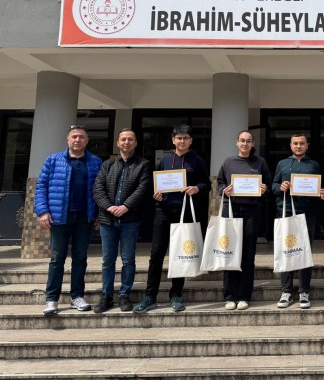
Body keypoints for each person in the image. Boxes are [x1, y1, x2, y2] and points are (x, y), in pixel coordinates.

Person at [133, 124, 210, 314]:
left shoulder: (197, 160)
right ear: (173, 140)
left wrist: (197, 188)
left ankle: (176, 294)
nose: (182, 141)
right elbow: (157, 183)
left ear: (191, 141)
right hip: (163, 211)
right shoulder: (165, 159)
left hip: (185, 212)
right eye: (179, 138)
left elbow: (207, 184)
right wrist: (156, 194)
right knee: (156, 254)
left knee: (180, 254)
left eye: (185, 138)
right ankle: (150, 296)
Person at [35, 124, 103, 316]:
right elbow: (41, 186)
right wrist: (42, 211)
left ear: (87, 140)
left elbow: (101, 189)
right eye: (74, 136)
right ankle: (52, 299)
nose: (77, 140)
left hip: (84, 217)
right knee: (57, 258)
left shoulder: (95, 162)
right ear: (68, 139)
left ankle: (77, 297)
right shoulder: (53, 160)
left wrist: (99, 213)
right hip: (59, 217)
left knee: (80, 258)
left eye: (81, 137)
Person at [92, 128, 152, 313]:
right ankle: (106, 296)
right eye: (123, 139)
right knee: (107, 260)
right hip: (107, 220)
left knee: (128, 260)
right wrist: (109, 207)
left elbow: (142, 189)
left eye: (130, 139)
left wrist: (126, 206)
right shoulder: (108, 165)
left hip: (130, 220)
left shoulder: (143, 165)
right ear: (118, 143)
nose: (127, 142)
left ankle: (125, 294)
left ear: (135, 143)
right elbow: (98, 189)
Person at [217, 130, 272, 311]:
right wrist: (224, 190)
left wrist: (264, 189)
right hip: (231, 210)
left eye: (248, 141)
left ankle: (244, 296)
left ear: (253, 144)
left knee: (248, 255)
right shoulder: (228, 162)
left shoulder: (260, 162)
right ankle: (230, 296)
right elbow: (219, 183)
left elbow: (268, 184)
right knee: (230, 252)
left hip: (252, 211)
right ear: (237, 142)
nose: (245, 144)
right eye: (242, 140)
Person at [272, 133, 324, 309]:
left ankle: (304, 292)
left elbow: (317, 188)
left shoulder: (314, 165)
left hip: (307, 213)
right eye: (295, 143)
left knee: (305, 252)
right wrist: (280, 187)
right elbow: (273, 186)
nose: (298, 146)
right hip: (285, 211)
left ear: (307, 145)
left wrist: (321, 192)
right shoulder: (282, 164)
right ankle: (286, 292)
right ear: (290, 145)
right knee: (286, 250)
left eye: (301, 143)